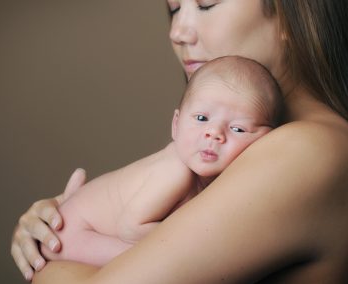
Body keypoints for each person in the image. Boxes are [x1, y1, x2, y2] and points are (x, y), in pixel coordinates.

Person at [11, 1, 348, 283]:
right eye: (174, 8)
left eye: (206, 4)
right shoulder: (249, 151)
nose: (177, 32)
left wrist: (52, 259)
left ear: (293, 14)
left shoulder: (305, 150)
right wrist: (60, 224)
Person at [40, 56, 283, 267]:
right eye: (201, 118)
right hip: (71, 232)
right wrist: (194, 244)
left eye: (238, 129)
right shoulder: (176, 170)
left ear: (267, 140)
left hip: (80, 221)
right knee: (146, 262)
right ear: (176, 125)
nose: (214, 133)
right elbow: (130, 227)